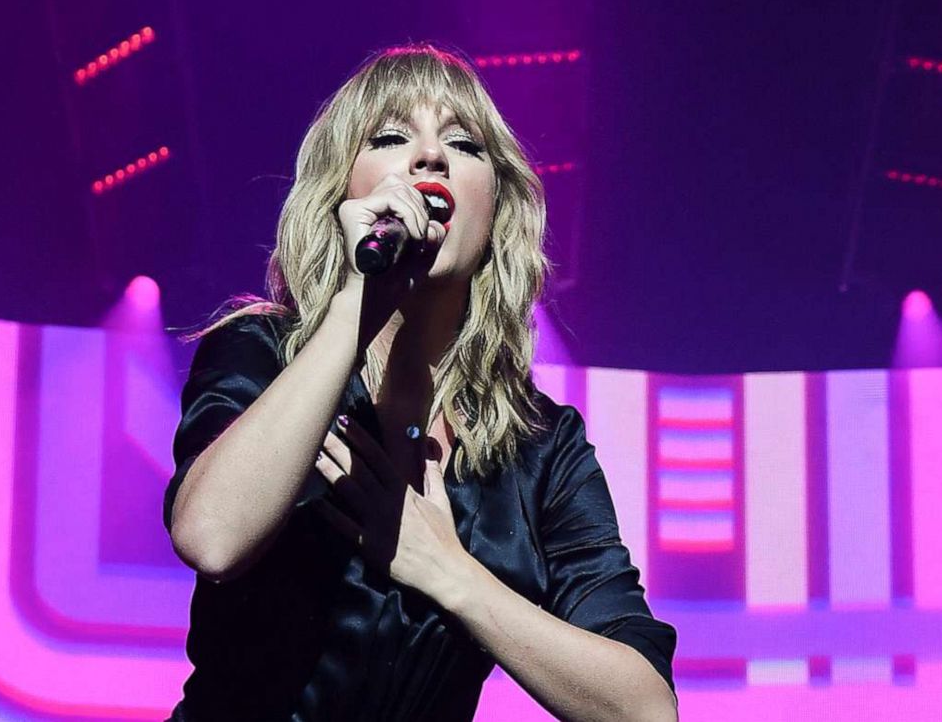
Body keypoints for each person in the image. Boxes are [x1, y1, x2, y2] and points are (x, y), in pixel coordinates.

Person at [162, 44, 678, 721]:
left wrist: (448, 571)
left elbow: (644, 711)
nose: (429, 158)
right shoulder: (263, 351)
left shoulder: (542, 448)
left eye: (462, 144)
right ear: (340, 193)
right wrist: (357, 299)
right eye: (391, 137)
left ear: (497, 212)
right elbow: (211, 536)